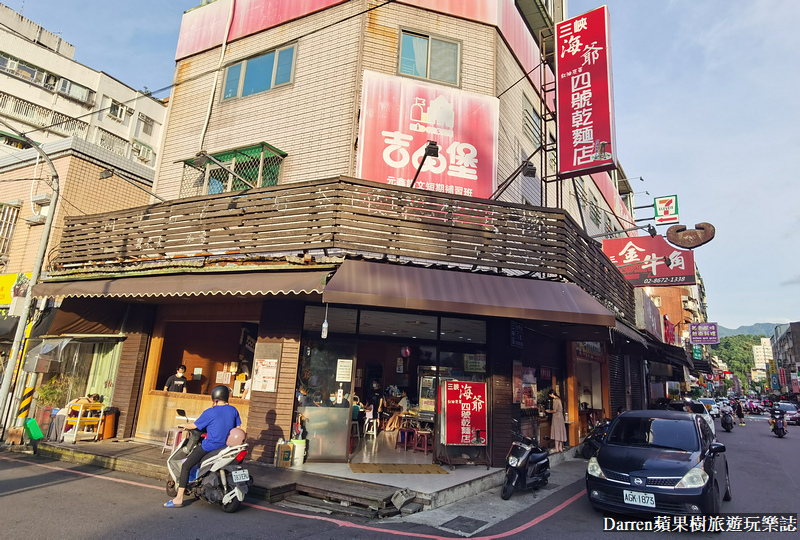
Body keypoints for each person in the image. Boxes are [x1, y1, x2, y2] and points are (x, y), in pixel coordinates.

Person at [165, 385, 241, 508]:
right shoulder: (233, 410)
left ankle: (178, 498)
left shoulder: (209, 412)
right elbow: (237, 428)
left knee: (186, 466)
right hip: (225, 447)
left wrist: (183, 425)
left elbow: (194, 426)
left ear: (214, 398)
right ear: (226, 396)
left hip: (209, 447)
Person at [545, 389, 567, 453]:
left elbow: (554, 410)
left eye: (550, 395)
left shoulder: (555, 400)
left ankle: (556, 448)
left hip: (556, 417)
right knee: (560, 431)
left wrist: (548, 411)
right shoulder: (559, 399)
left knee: (556, 432)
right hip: (561, 417)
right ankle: (560, 447)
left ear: (552, 394)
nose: (550, 396)